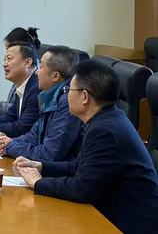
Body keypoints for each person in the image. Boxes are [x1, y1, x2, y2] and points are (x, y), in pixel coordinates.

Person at [14, 59, 158, 233]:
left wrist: (38, 183)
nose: (66, 95)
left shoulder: (105, 131)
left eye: (68, 90)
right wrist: (41, 166)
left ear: (84, 97)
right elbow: (79, 166)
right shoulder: (105, 119)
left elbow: (81, 188)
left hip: (126, 226)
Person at [0, 45, 82, 161]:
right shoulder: (49, 97)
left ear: (55, 76)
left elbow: (49, 155)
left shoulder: (67, 103)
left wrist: (10, 146)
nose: (36, 72)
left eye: (40, 67)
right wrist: (9, 142)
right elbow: (34, 136)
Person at [0, 26, 41, 116]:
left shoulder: (36, 81)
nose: (5, 63)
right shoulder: (22, 76)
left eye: (9, 57)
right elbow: (15, 107)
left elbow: (19, 112)